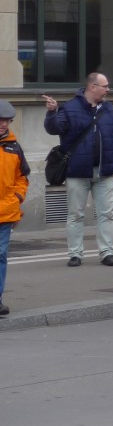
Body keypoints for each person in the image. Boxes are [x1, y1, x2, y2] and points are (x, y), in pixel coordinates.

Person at [44, 73, 113, 267]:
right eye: (105, 86)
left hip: (104, 171)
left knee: (107, 214)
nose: (108, 90)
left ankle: (107, 252)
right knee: (75, 214)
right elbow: (53, 129)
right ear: (92, 87)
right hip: (77, 171)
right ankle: (75, 254)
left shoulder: (107, 107)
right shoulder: (70, 107)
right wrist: (52, 112)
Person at [0, 100, 30, 316]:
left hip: (6, 212)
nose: (3, 124)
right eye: (0, 120)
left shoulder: (14, 147)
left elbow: (22, 177)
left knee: (0, 255)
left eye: (7, 120)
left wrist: (17, 197)